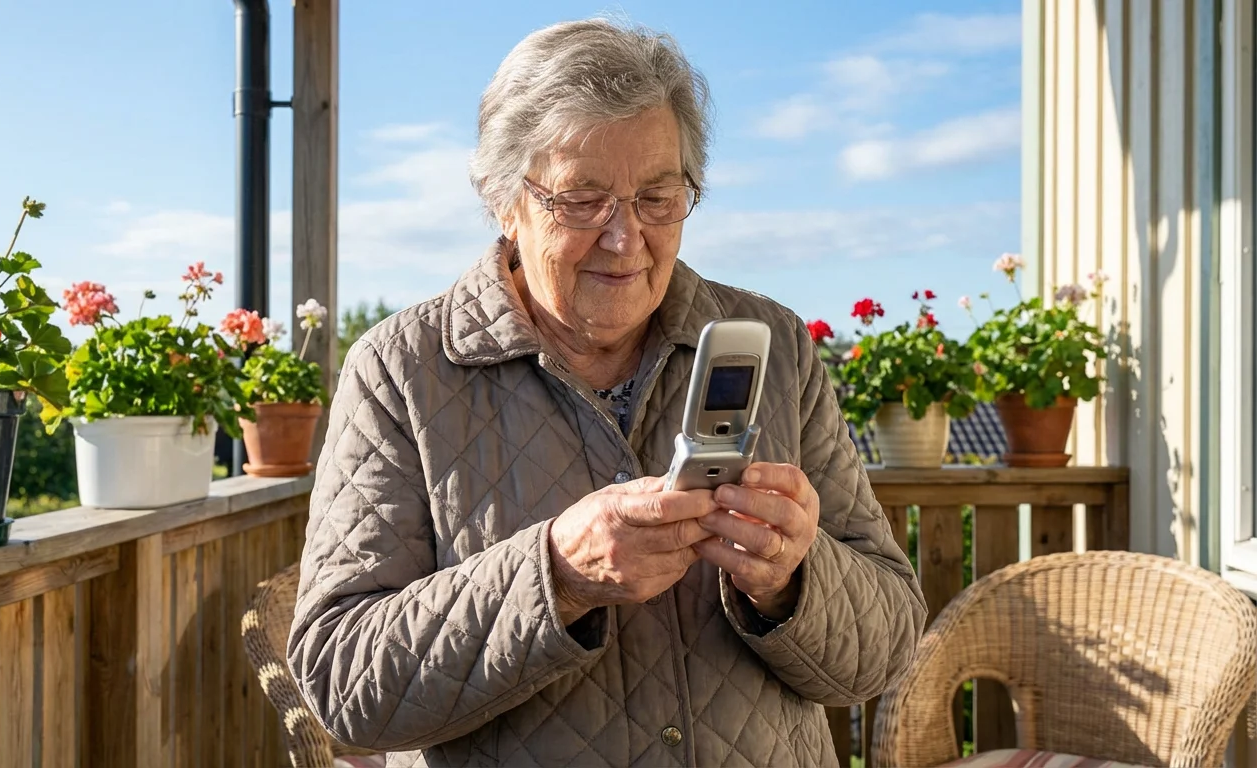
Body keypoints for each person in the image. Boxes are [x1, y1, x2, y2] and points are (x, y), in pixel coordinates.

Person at [289, 17, 927, 768]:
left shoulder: (775, 345)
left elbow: (885, 651)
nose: (626, 238)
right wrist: (556, 574)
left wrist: (792, 581)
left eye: (658, 198)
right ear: (504, 200)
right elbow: (340, 681)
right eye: (582, 200)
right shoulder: (401, 369)